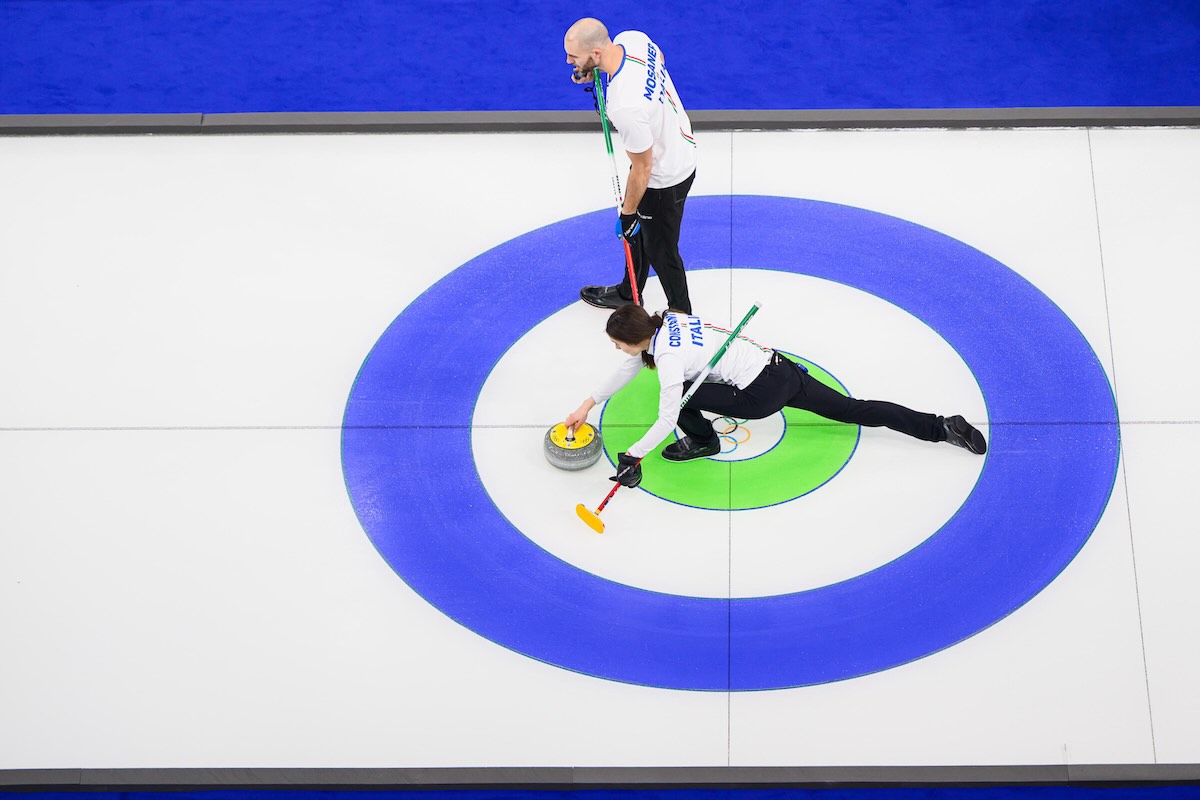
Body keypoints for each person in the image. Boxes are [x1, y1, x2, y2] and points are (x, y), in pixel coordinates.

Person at [564, 306, 987, 488]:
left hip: (759, 395)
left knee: (684, 399)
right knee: (852, 410)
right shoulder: (669, 322)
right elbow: (631, 363)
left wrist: (633, 456)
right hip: (780, 368)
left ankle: (705, 441)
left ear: (634, 338)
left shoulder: (668, 359)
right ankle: (942, 427)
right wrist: (588, 404)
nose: (617, 349)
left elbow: (666, 417)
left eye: (617, 343)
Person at [564, 18, 697, 314]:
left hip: (664, 176)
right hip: (677, 142)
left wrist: (627, 213)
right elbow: (659, 56)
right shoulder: (632, 39)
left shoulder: (624, 105)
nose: (569, 61)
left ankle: (682, 314)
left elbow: (643, 167)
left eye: (574, 56)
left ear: (596, 53)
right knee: (638, 232)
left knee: (661, 249)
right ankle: (629, 292)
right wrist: (595, 71)